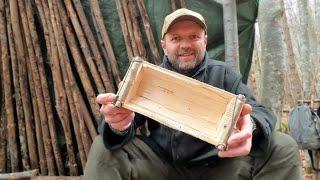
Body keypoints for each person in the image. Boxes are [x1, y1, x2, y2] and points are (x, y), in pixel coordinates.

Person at [84, 8, 302, 180]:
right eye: (176, 38)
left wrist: (250, 127)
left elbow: (261, 112)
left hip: (217, 166)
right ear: (164, 45)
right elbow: (118, 124)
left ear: (205, 41)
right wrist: (117, 125)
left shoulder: (223, 75)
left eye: (194, 37)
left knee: (283, 145)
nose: (185, 45)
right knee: (103, 147)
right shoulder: (148, 78)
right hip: (162, 167)